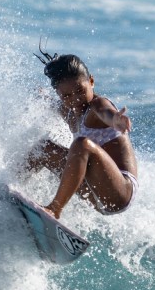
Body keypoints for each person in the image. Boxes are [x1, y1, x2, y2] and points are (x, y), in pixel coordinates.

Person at [25, 50, 138, 219]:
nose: (75, 99)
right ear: (59, 95)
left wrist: (115, 119)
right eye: (67, 96)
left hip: (119, 193)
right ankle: (5, 187)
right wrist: (38, 98)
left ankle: (55, 209)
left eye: (80, 90)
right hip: (94, 191)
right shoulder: (69, 111)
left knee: (81, 144)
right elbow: (50, 103)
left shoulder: (97, 106)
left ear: (91, 81)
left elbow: (105, 112)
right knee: (44, 148)